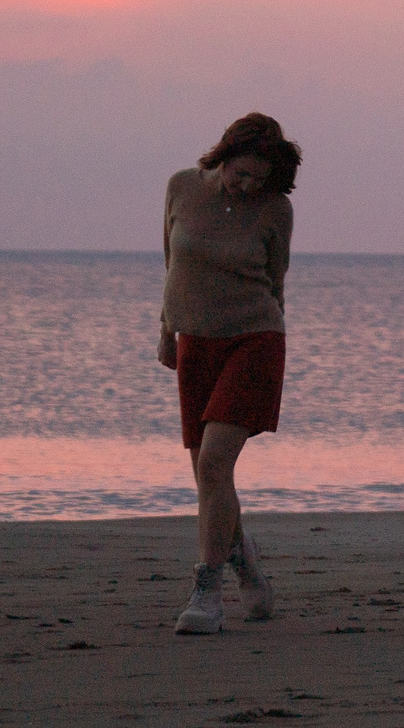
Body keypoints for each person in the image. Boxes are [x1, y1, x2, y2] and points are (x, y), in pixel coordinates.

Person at [159, 112, 301, 636]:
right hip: (195, 342)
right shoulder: (180, 187)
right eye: (239, 174)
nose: (245, 186)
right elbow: (171, 261)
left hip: (254, 340)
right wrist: (165, 331)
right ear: (222, 155)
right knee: (207, 476)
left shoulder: (275, 211)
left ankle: (207, 591)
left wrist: (270, 336)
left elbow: (276, 279)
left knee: (215, 463)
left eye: (256, 181)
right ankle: (246, 561)